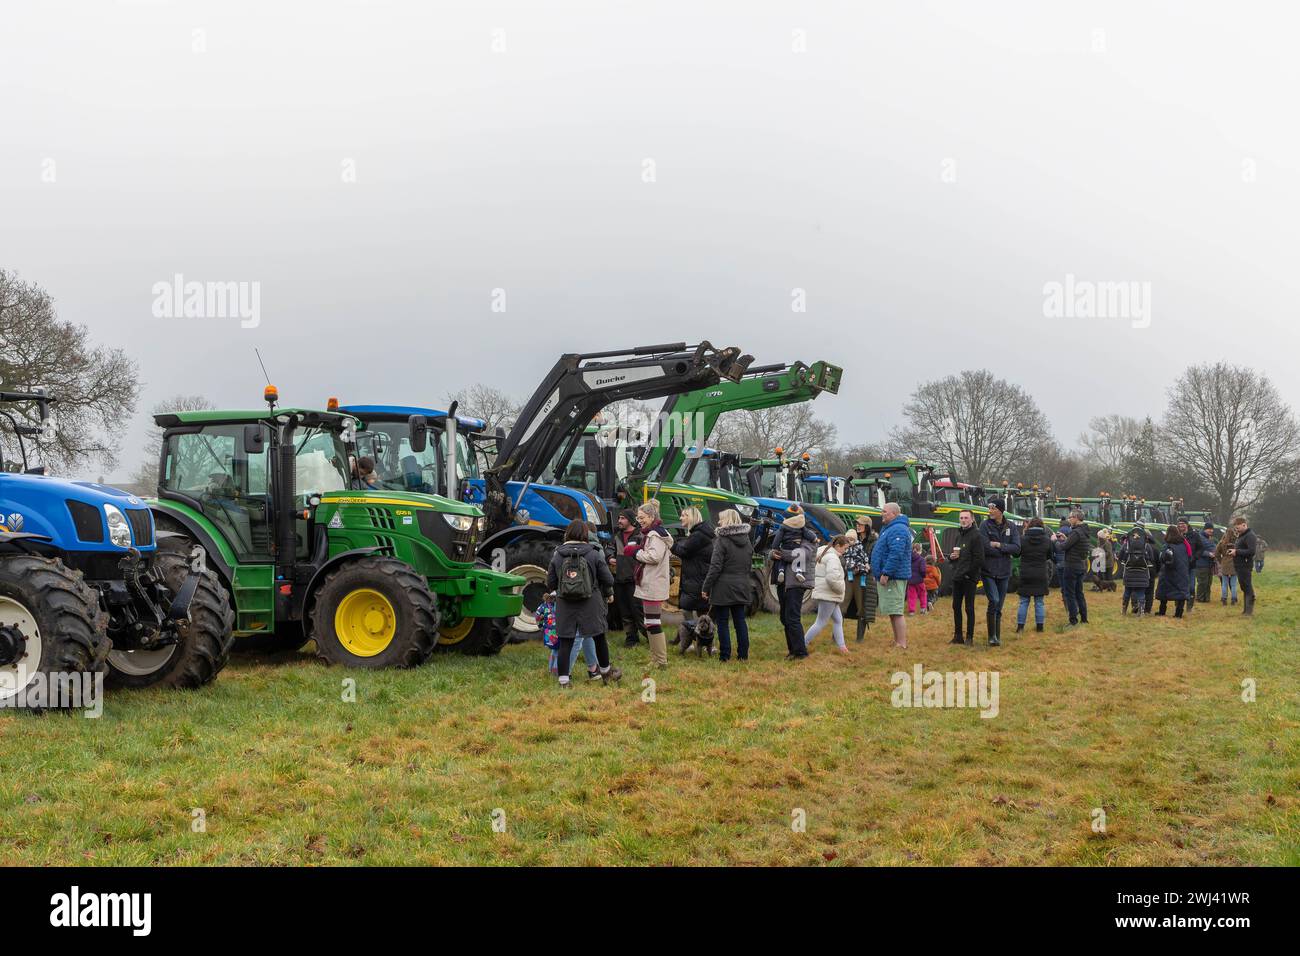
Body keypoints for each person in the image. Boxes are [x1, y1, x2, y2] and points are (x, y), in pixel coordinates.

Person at [545, 519, 622, 688]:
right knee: (599, 637)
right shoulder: (593, 553)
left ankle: (564, 681)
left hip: (565, 604)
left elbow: (550, 583)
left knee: (566, 641)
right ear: (585, 534)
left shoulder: (558, 554)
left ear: (568, 534)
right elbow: (608, 579)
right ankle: (605, 673)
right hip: (591, 603)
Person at [701, 508, 754, 662]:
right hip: (742, 584)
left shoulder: (721, 541)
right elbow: (749, 563)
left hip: (723, 587)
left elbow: (715, 567)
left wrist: (705, 587)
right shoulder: (747, 540)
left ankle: (725, 655)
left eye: (721, 519)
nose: (718, 522)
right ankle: (743, 655)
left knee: (723, 622)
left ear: (728, 521)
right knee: (740, 621)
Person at [625, 500, 673, 666]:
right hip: (651, 582)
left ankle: (660, 660)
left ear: (652, 517)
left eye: (642, 517)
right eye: (638, 517)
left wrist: (636, 552)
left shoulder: (655, 535)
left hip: (654, 583)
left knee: (653, 623)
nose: (639, 520)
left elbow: (654, 556)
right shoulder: (652, 533)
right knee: (650, 622)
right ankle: (655, 658)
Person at [771, 505, 817, 660]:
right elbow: (775, 548)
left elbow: (802, 554)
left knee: (792, 617)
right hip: (783, 582)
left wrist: (781, 554)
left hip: (797, 582)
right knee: (784, 618)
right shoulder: (785, 532)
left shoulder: (808, 536)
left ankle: (800, 652)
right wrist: (773, 553)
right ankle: (792, 650)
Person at [670, 506, 715, 652]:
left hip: (696, 579)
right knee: (701, 612)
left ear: (692, 517)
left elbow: (684, 551)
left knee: (689, 610)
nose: (681, 518)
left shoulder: (698, 535)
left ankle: (692, 641)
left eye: (684, 515)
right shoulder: (701, 533)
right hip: (698, 578)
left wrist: (671, 544)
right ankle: (706, 643)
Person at [979, 497, 1021, 645]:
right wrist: (1003, 550)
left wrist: (999, 545)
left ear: (1001, 511)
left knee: (999, 605)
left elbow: (1017, 549)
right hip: (988, 571)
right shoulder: (984, 526)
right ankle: (991, 636)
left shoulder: (1011, 526)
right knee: (994, 601)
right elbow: (985, 547)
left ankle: (996, 636)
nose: (990, 511)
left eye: (993, 508)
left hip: (1004, 571)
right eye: (989, 508)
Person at [871, 503, 913, 649]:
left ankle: (901, 643)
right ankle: (897, 641)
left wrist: (886, 573)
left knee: (896, 610)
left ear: (894, 514)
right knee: (892, 611)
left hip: (894, 577)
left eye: (885, 512)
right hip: (888, 576)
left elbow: (896, 554)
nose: (882, 514)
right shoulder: (890, 528)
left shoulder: (898, 529)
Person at [805, 535, 851, 654]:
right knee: (821, 622)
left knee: (838, 619)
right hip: (829, 594)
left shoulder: (825, 553)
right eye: (844, 548)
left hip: (828, 593)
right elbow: (832, 579)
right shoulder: (833, 558)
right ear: (837, 546)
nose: (845, 551)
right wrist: (841, 589)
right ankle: (802, 643)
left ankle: (842, 647)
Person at [610, 509, 647, 647]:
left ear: (630, 520)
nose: (619, 521)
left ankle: (651, 637)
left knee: (638, 611)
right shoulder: (617, 536)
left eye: (622, 518)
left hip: (635, 579)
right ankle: (631, 638)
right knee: (625, 612)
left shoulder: (640, 536)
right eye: (619, 518)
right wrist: (610, 557)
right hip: (620, 579)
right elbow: (610, 549)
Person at [948, 509, 984, 646]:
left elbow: (979, 559)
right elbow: (957, 555)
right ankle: (958, 636)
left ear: (972, 519)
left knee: (969, 607)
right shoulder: (959, 535)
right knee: (956, 606)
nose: (963, 520)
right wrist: (951, 558)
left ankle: (969, 637)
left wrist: (969, 573)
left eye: (966, 518)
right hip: (958, 576)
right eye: (961, 518)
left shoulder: (976, 536)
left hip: (969, 577)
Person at [1052, 509, 1091, 626]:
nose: (1069, 520)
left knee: (1070, 594)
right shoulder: (1083, 531)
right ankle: (1084, 618)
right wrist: (1066, 537)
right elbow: (1074, 544)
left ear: (1076, 518)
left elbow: (1063, 547)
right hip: (1080, 565)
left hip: (1071, 566)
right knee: (1079, 593)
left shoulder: (1076, 532)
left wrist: (1055, 541)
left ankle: (1073, 620)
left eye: (1070, 517)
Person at [842, 517, 878, 641]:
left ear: (867, 526)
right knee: (843, 604)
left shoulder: (873, 542)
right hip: (850, 575)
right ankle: (837, 636)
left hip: (865, 577)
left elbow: (874, 560)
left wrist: (863, 567)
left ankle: (859, 638)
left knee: (862, 607)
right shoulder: (851, 538)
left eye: (861, 524)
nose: (858, 526)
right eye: (857, 524)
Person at [1015, 517, 1051, 632]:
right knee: (1039, 602)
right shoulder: (1047, 540)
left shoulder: (1022, 539)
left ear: (1029, 526)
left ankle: (1020, 627)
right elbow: (1049, 555)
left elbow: (1016, 554)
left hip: (1026, 573)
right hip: (1040, 573)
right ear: (1042, 526)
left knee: (1024, 601)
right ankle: (1040, 627)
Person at [1155, 524, 1191, 618]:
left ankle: (1162, 611)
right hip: (1182, 571)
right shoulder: (1184, 544)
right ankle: (1179, 613)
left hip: (1168, 572)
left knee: (1164, 591)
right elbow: (1189, 556)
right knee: (1181, 592)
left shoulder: (1167, 545)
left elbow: (1162, 558)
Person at [1118, 527, 1154, 615]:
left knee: (1127, 591)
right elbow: (1151, 559)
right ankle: (1141, 612)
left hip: (1129, 571)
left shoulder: (1126, 545)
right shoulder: (1147, 545)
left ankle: (1124, 611)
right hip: (1143, 572)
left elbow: (1120, 557)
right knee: (1141, 592)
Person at [1228, 516, 1257, 616]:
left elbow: (1251, 551)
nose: (1237, 529)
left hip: (1245, 565)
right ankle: (1246, 610)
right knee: (1244, 587)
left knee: (1247, 587)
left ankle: (1249, 612)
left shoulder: (1250, 536)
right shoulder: (1242, 535)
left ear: (1244, 525)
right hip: (1239, 565)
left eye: (1238, 527)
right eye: (1236, 527)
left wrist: (1237, 551)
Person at [1175, 518, 1205, 614]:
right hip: (1179, 566)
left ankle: (1189, 606)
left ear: (1187, 525)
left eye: (1183, 524)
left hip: (1191, 565)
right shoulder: (1176, 535)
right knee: (1179, 586)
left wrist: (1195, 557)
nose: (1181, 526)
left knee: (1191, 587)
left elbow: (1201, 548)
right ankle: (1178, 605)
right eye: (1179, 524)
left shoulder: (1194, 535)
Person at [1193, 521, 1217, 607]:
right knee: (1202, 582)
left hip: (1209, 564)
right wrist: (1208, 554)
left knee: (1208, 582)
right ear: (1205, 529)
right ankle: (1200, 598)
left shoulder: (1209, 538)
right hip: (1201, 564)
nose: (1211, 530)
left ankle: (1206, 598)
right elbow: (1196, 550)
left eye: (1212, 529)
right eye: (1209, 529)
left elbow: (1213, 547)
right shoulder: (1199, 537)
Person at [1215, 528, 1239, 605]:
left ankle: (1224, 599)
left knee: (1224, 583)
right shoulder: (1237, 542)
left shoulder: (1222, 542)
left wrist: (1221, 561)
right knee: (1234, 584)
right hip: (1235, 563)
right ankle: (1233, 599)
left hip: (1224, 562)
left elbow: (1216, 553)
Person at [906, 542, 927, 615]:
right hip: (919, 580)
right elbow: (923, 570)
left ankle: (911, 611)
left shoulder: (908, 558)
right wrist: (923, 576)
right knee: (922, 594)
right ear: (920, 551)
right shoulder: (922, 559)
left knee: (911, 596)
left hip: (911, 580)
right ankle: (923, 608)